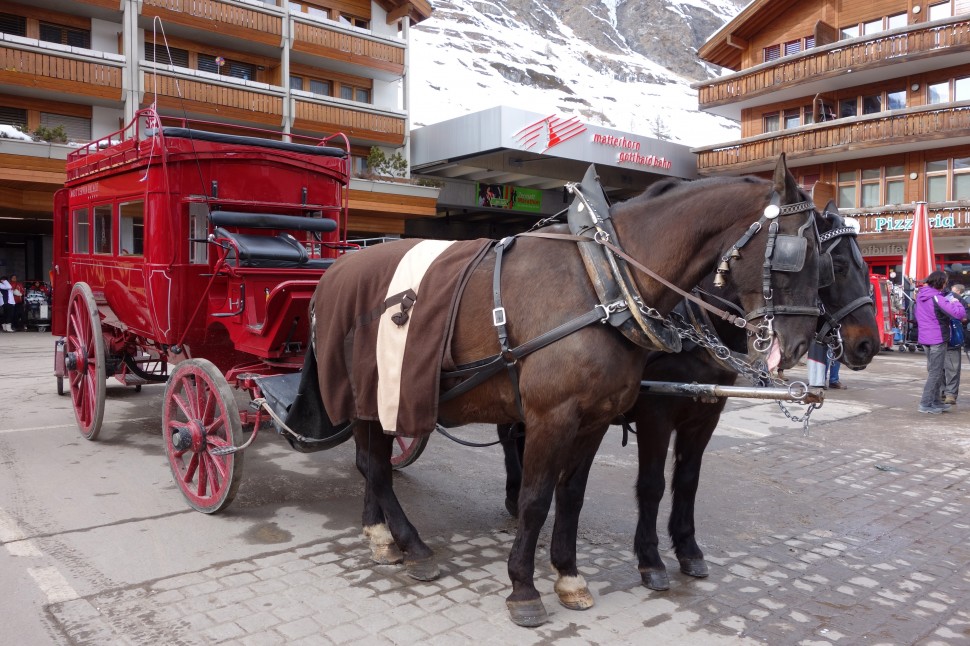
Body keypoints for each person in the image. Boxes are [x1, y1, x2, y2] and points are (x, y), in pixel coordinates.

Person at [915, 271, 966, 413]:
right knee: (935, 373)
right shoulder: (937, 297)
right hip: (937, 338)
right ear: (941, 282)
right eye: (945, 281)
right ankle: (925, 403)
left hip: (925, 337)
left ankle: (936, 401)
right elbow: (958, 314)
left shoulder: (921, 295)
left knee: (934, 371)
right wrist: (956, 301)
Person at [942, 283, 970, 404]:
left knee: (952, 367)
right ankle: (942, 391)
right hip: (934, 337)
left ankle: (950, 394)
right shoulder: (930, 297)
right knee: (937, 368)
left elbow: (966, 314)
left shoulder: (954, 297)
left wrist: (962, 320)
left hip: (952, 336)